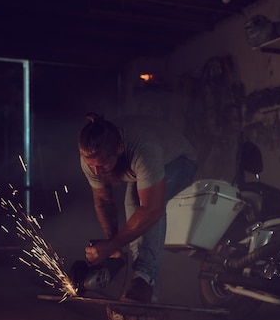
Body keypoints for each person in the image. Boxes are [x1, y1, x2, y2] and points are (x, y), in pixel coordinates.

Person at [78, 113, 197, 303]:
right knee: (132, 204)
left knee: (138, 202)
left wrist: (112, 244)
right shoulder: (91, 159)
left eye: (102, 166)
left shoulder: (144, 150)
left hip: (179, 161)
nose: (96, 172)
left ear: (120, 148)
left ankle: (145, 279)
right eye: (91, 166)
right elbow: (104, 202)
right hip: (146, 164)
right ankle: (140, 279)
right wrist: (114, 249)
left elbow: (152, 209)